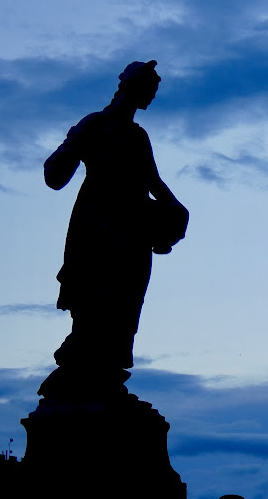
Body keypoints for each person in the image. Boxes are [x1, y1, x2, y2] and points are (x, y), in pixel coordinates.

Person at [39, 60, 188, 400]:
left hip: (133, 225)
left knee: (126, 297)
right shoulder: (95, 124)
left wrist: (177, 207)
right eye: (149, 89)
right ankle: (79, 367)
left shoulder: (138, 135)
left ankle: (106, 371)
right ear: (131, 87)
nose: (152, 96)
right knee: (94, 293)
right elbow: (55, 173)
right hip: (98, 220)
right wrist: (72, 148)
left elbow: (152, 181)